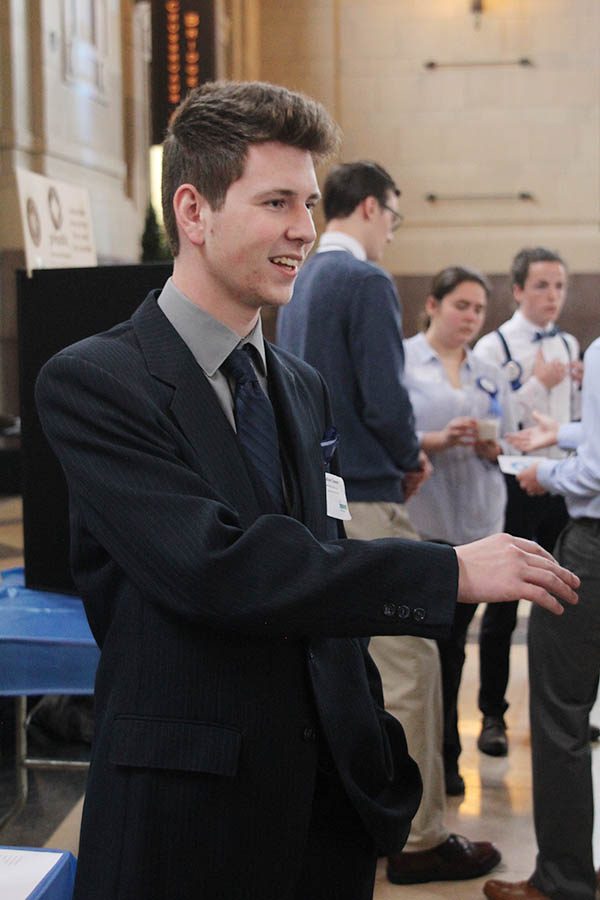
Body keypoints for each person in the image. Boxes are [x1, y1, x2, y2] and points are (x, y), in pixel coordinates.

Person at [35, 81, 578, 900]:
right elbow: (217, 568)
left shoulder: (298, 384)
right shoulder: (95, 383)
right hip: (189, 816)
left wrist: (376, 758)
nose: (305, 229)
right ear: (193, 210)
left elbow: (323, 556)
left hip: (328, 813)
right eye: (278, 201)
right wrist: (447, 570)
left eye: (312, 202)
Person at [278, 166, 500, 886]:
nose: (391, 232)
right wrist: (409, 457)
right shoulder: (365, 280)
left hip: (327, 489)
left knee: (367, 662)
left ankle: (376, 819)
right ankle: (414, 837)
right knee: (408, 662)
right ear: (371, 207)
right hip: (372, 488)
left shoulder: (305, 277)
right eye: (394, 218)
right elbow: (384, 392)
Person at [483, 335, 600, 900]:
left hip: (594, 543)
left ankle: (563, 881)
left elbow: (596, 471)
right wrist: (563, 434)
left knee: (560, 712)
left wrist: (543, 472)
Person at [403, 266, 516, 797]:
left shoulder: (490, 369)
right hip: (424, 519)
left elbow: (512, 439)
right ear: (433, 304)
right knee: (430, 648)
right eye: (460, 306)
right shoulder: (404, 361)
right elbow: (389, 435)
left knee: (453, 646)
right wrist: (436, 439)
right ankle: (433, 754)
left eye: (478, 309)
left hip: (478, 517)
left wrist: (497, 447)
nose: (470, 318)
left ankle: (446, 752)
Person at [472, 247, 581, 757]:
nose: (552, 296)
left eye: (559, 286)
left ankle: (562, 710)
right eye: (541, 285)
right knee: (501, 605)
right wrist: (542, 382)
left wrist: (577, 389)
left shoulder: (570, 342)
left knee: (564, 600)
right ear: (517, 290)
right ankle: (492, 713)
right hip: (512, 485)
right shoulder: (493, 346)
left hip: (559, 484)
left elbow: (573, 421)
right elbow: (496, 415)